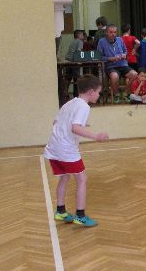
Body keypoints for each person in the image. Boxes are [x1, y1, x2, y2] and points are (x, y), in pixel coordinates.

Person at [44, 74, 108, 228]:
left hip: (54, 148)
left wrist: (80, 126)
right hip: (66, 150)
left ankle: (60, 211)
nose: (99, 95)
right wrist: (96, 136)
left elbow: (56, 121)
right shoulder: (84, 106)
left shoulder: (70, 103)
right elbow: (75, 128)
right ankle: (80, 216)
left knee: (64, 177)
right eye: (98, 92)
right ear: (91, 91)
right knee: (82, 179)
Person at [96, 24, 137, 103]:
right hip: (111, 66)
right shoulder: (102, 41)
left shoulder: (120, 39)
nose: (113, 34)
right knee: (115, 76)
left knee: (134, 74)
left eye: (115, 32)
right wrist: (110, 58)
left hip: (122, 64)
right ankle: (116, 94)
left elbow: (125, 51)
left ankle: (125, 93)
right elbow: (99, 56)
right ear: (106, 33)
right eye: (111, 32)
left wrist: (124, 55)